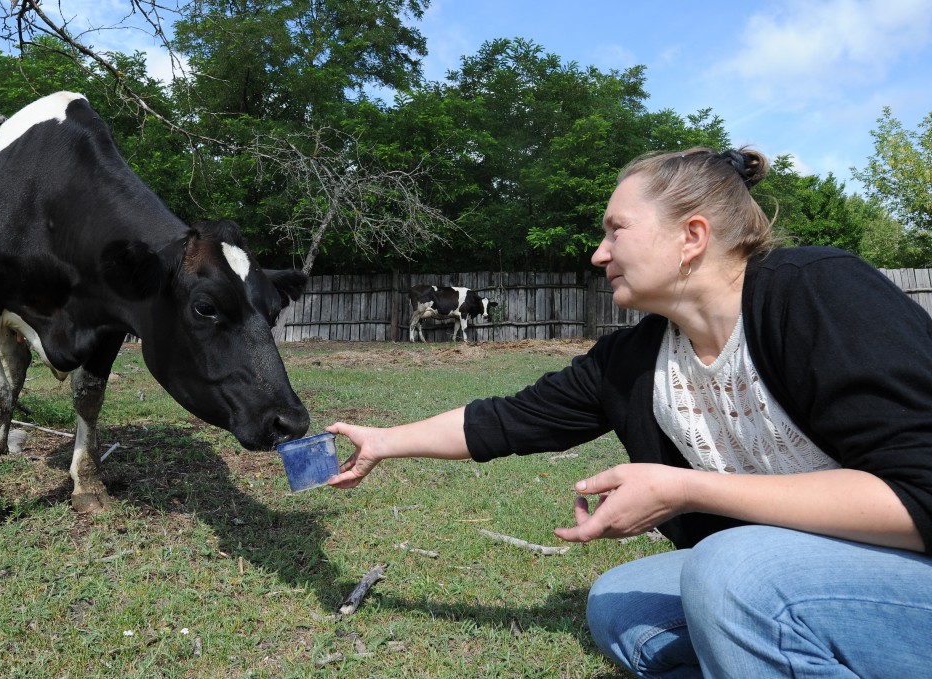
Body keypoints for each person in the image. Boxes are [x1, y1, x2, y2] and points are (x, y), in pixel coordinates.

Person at [326, 146, 932, 678]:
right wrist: (385, 439)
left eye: (616, 230)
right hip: (791, 574)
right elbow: (509, 419)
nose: (598, 253)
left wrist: (685, 487)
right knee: (622, 605)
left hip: (909, 569)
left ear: (691, 237)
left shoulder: (816, 291)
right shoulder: (636, 357)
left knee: (730, 571)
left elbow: (920, 496)